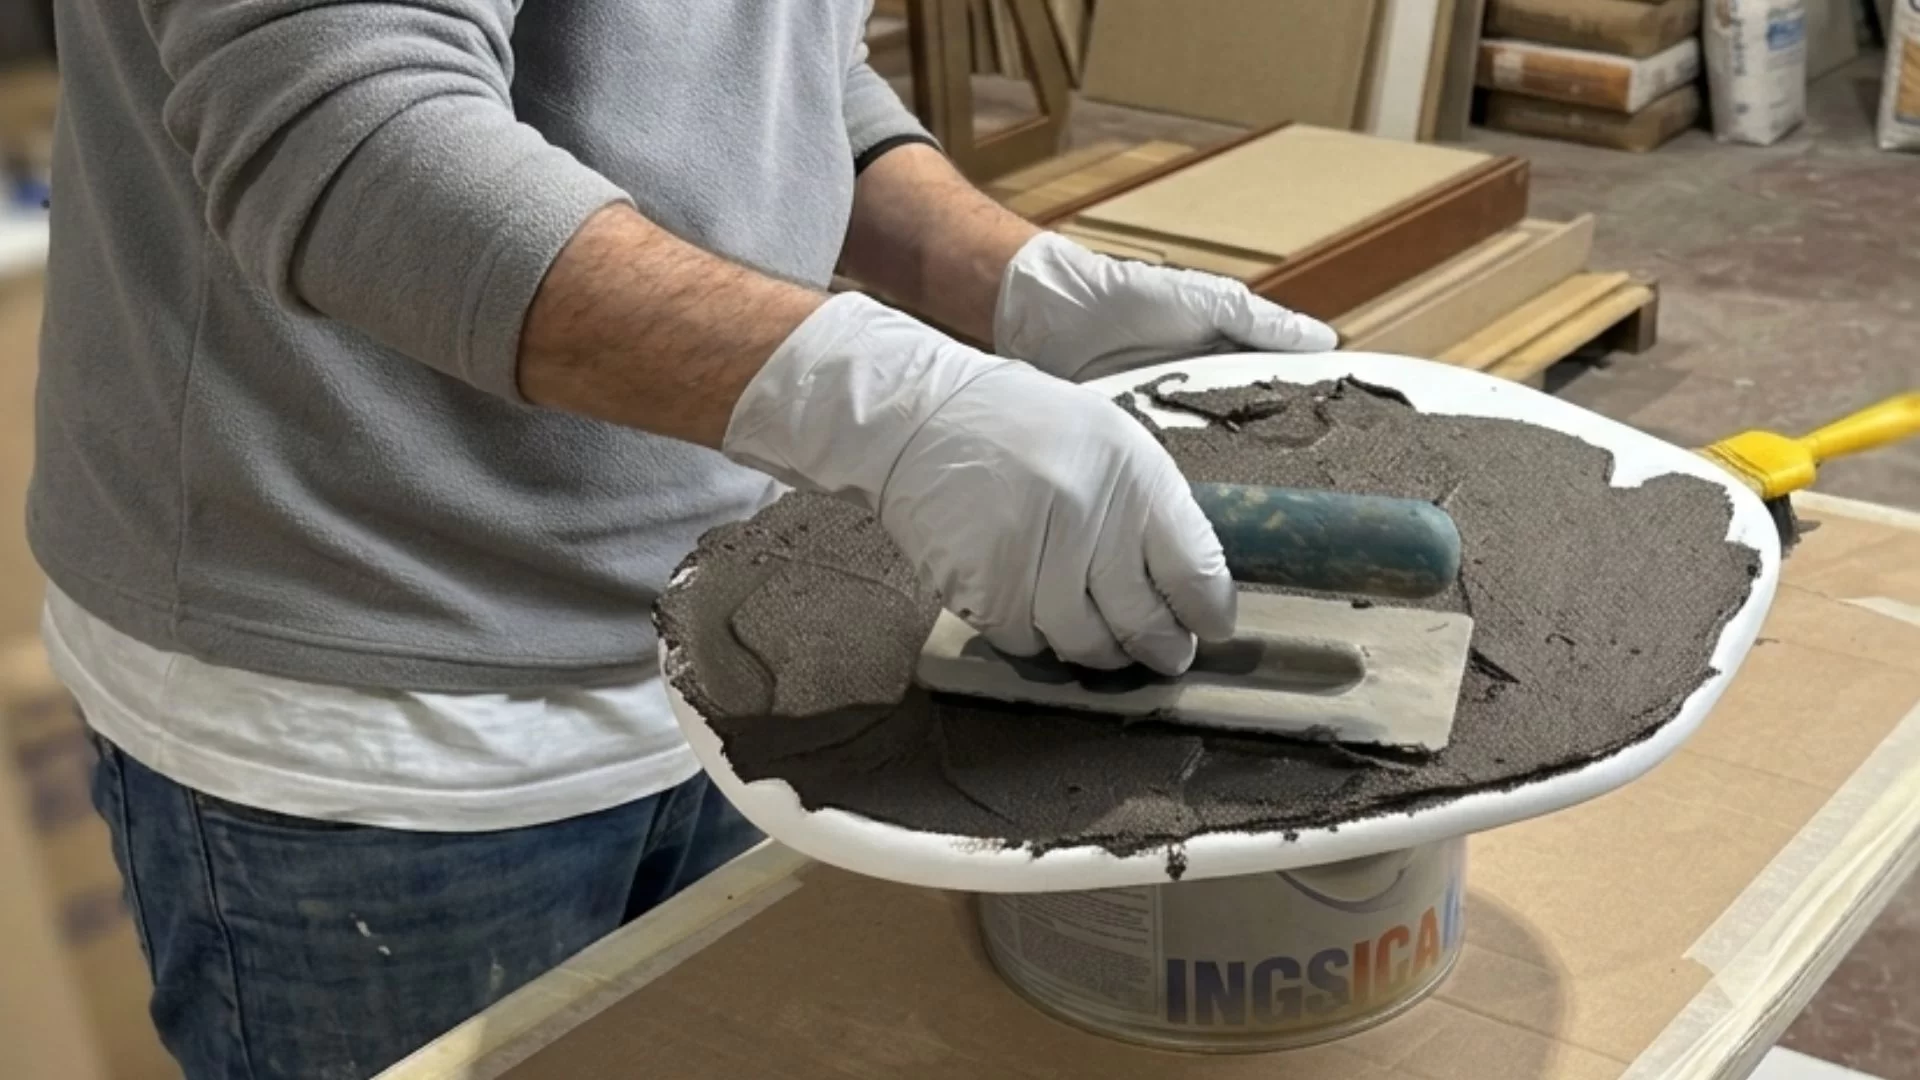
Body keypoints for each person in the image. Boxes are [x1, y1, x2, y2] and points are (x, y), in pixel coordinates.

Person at [29, 3, 1338, 1077]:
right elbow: (345, 127)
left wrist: (1003, 281)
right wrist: (876, 400)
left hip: (728, 633)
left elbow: (779, 69)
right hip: (377, 706)